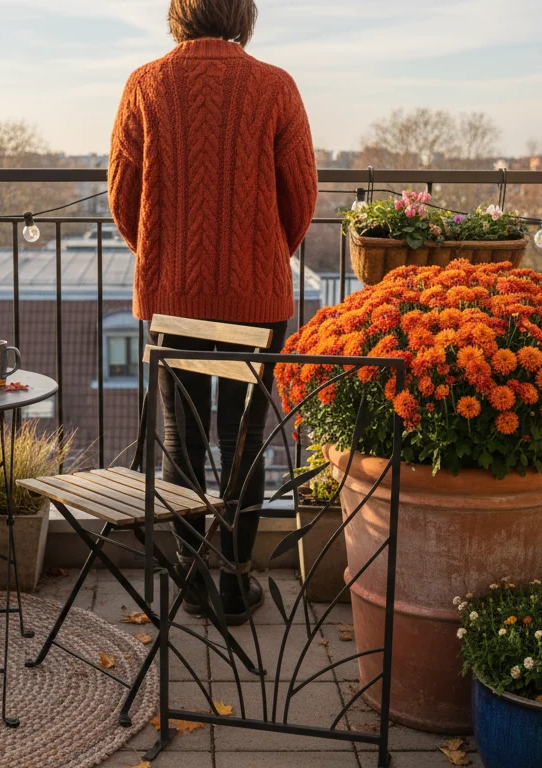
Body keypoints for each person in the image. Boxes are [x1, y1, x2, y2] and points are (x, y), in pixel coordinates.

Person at [108, 0, 317, 624]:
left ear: (180, 14)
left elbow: (124, 196)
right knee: (245, 437)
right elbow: (300, 196)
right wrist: (260, 254)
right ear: (243, 14)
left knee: (185, 437)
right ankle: (234, 584)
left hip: (173, 297)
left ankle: (191, 581)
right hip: (256, 297)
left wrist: (165, 258)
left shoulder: (145, 84)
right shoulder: (275, 86)